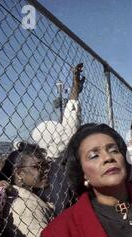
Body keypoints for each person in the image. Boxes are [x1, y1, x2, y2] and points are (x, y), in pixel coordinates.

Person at [32, 63, 85, 216]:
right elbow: (71, 119)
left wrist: (75, 87)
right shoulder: (57, 168)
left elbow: (71, 118)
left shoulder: (47, 165)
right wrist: (75, 86)